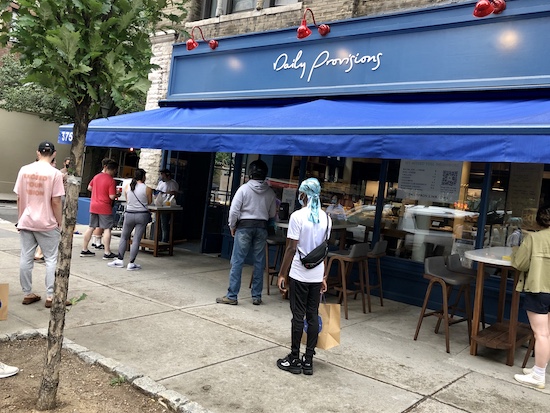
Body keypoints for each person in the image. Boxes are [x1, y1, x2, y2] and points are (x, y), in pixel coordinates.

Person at [276, 177, 332, 375]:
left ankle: (294, 357)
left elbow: (291, 248)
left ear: (304, 195)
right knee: (312, 315)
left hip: (299, 273)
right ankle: (308, 360)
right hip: (316, 275)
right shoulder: (327, 219)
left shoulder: (297, 216)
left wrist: (282, 273)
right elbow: (324, 250)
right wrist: (323, 276)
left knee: (298, 316)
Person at [216, 160, 277, 305]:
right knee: (259, 262)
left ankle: (232, 296)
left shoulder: (243, 189)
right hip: (262, 227)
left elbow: (234, 211)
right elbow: (272, 213)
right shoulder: (270, 192)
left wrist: (232, 226)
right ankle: (256, 296)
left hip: (244, 227)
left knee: (237, 261)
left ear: (250, 173)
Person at [13, 141, 64, 308]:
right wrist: (59, 222)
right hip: (46, 222)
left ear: (38, 152)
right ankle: (50, 295)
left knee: (26, 257)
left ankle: (27, 293)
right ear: (54, 154)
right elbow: (56, 201)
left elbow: (19, 197)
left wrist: (20, 218)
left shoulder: (24, 170)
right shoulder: (55, 173)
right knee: (51, 259)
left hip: (27, 220)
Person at [511, 205, 550, 389]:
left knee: (541, 334)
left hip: (539, 289)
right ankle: (539, 368)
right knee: (547, 333)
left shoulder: (534, 238)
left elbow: (520, 264)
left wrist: (514, 250)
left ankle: (538, 375)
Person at [108, 168, 153, 271]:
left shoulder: (128, 187)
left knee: (124, 237)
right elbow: (149, 202)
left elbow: (128, 200)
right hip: (142, 214)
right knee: (136, 239)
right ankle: (131, 263)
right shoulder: (147, 189)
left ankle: (120, 259)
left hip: (129, 214)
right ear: (143, 177)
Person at [80, 160, 118, 259]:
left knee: (91, 227)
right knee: (107, 228)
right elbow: (112, 196)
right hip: (104, 206)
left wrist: (98, 191)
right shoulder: (111, 180)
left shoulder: (96, 176)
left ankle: (84, 249)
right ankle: (107, 252)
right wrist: (116, 194)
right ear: (113, 170)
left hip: (94, 204)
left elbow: (89, 187)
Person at [156, 168, 179, 243]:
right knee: (158, 223)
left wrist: (165, 193)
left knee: (164, 224)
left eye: (163, 175)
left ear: (167, 175)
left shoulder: (173, 183)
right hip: (159, 204)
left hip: (167, 206)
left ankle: (164, 241)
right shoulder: (160, 183)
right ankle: (157, 240)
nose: (161, 176)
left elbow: (175, 194)